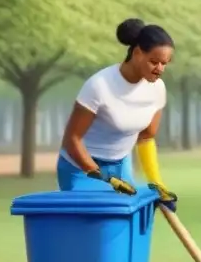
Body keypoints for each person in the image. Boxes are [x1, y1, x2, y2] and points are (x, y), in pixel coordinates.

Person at [58, 18, 177, 207]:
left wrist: (157, 184)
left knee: (128, 219)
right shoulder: (99, 86)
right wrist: (103, 177)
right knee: (96, 224)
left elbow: (145, 137)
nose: (160, 69)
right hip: (81, 167)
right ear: (137, 53)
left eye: (165, 63)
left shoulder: (157, 89)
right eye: (154, 62)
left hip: (121, 165)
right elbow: (72, 140)